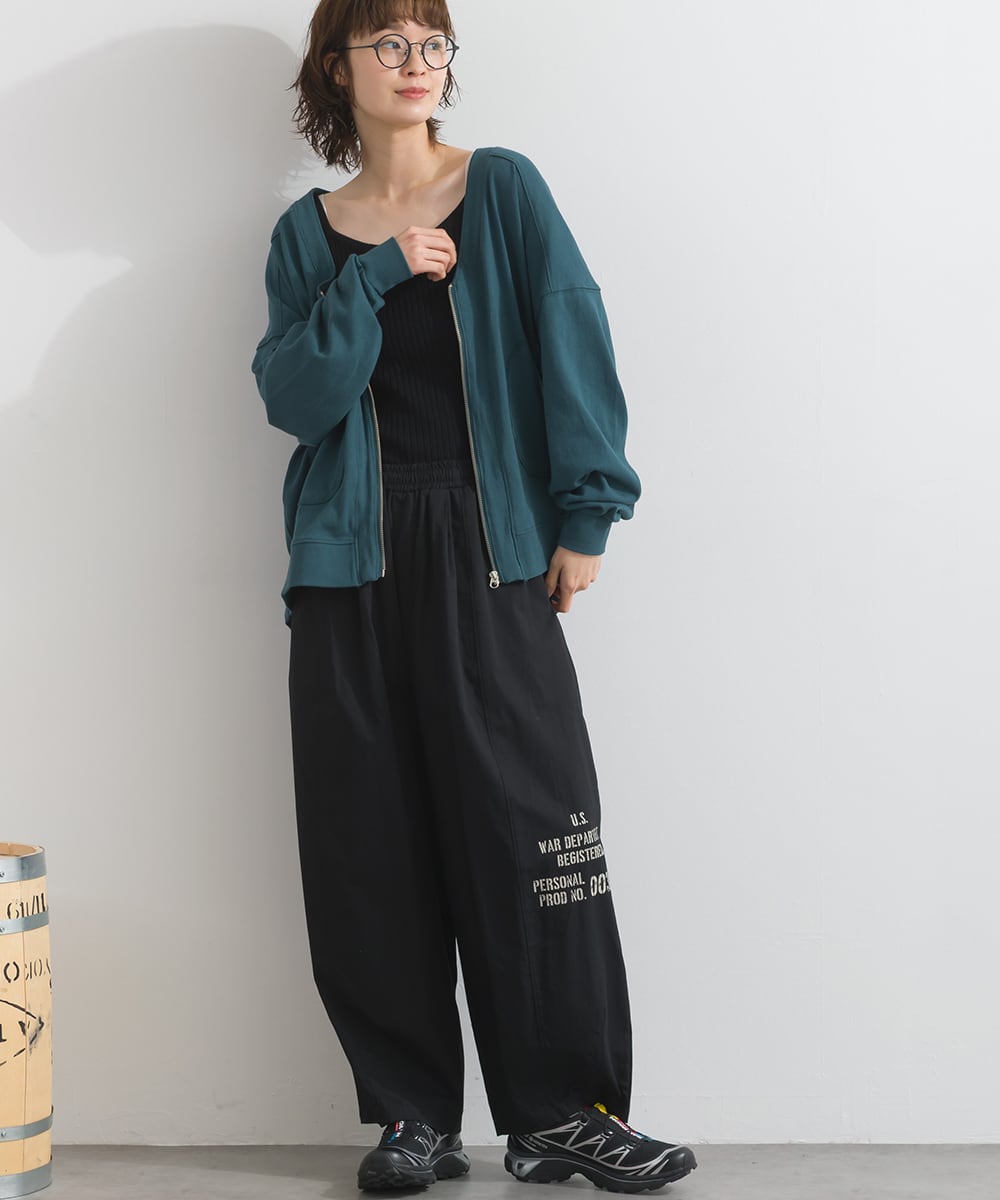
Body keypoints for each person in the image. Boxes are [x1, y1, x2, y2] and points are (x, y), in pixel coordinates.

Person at [251, 1, 698, 1193]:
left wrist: (587, 512)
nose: (416, 64)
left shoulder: (499, 189)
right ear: (335, 66)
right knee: (367, 842)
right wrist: (377, 276)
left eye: (431, 43)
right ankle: (412, 1118)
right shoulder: (307, 236)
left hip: (490, 544)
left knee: (532, 826)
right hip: (348, 562)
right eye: (388, 43)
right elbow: (295, 398)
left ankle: (562, 1113)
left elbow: (571, 333)